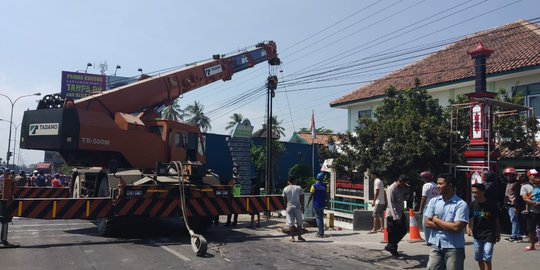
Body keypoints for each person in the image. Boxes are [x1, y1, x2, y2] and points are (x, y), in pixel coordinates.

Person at [425, 173, 468, 270]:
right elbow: (427, 223)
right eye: (437, 183)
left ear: (450, 185)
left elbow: (457, 228)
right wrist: (449, 226)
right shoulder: (434, 201)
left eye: (440, 184)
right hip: (436, 244)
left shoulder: (461, 204)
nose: (437, 186)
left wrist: (436, 220)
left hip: (454, 247)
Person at [466, 183, 500, 270]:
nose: (474, 195)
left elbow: (496, 219)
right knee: (478, 257)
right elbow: (469, 217)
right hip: (477, 234)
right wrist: (468, 227)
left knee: (487, 256)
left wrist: (498, 232)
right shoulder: (472, 204)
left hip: (489, 233)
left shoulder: (492, 204)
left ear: (483, 192)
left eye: (476, 192)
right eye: (473, 192)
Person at [384, 174, 409, 258]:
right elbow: (391, 204)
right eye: (404, 183)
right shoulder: (391, 189)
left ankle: (390, 246)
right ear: (400, 181)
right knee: (392, 233)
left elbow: (404, 199)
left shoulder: (402, 188)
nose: (405, 185)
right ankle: (394, 251)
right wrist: (396, 217)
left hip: (400, 212)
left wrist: (407, 192)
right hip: (392, 214)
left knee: (404, 229)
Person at [282, 176, 305, 242]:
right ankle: (299, 236)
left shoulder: (285, 189)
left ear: (288, 181)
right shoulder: (298, 188)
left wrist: (285, 207)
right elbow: (301, 197)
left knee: (290, 223)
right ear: (294, 181)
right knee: (299, 222)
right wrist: (302, 206)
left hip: (289, 207)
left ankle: (292, 237)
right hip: (297, 207)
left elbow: (284, 199)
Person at [418, 171, 438, 244]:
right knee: (434, 223)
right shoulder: (435, 185)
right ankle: (434, 238)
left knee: (426, 223)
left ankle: (428, 240)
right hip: (436, 206)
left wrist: (420, 208)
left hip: (428, 206)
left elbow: (423, 198)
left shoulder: (426, 185)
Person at [503, 167, 522, 242]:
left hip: (513, 205)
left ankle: (514, 236)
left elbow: (517, 196)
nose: (508, 177)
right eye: (507, 175)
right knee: (514, 220)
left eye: (510, 175)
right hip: (508, 205)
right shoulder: (508, 183)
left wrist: (516, 206)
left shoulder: (516, 184)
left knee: (514, 220)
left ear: (514, 176)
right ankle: (517, 235)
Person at [523, 174, 540, 251]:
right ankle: (532, 245)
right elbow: (525, 198)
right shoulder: (528, 188)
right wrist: (533, 203)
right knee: (531, 229)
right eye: (535, 182)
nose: (536, 183)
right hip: (532, 211)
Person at [307, 172, 327, 238]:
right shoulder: (325, 186)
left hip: (316, 204)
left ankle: (320, 233)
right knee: (321, 218)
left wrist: (308, 203)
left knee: (318, 218)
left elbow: (311, 195)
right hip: (322, 204)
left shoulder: (314, 186)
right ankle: (321, 231)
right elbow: (327, 196)